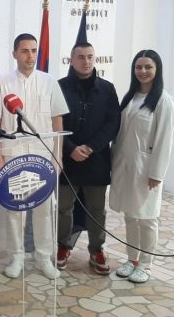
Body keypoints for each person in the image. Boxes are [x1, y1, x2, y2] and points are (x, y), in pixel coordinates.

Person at [0, 33, 68, 280]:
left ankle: (43, 257)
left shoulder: (49, 82)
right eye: (24, 51)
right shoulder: (2, 82)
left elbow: (58, 122)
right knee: (15, 211)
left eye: (33, 50)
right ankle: (17, 257)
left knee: (45, 209)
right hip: (13, 157)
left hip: (42, 157)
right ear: (14, 54)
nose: (30, 56)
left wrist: (58, 156)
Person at [109, 49, 174, 284]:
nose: (143, 71)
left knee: (147, 218)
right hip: (125, 166)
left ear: (157, 70)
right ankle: (132, 260)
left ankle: (146, 264)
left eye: (148, 67)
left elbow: (164, 141)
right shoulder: (131, 97)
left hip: (146, 170)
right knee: (131, 216)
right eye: (139, 67)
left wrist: (156, 173)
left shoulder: (164, 102)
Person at [56, 42, 120, 274]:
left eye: (90, 57)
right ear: (71, 60)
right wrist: (71, 148)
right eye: (81, 57)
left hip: (96, 160)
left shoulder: (107, 89)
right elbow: (54, 122)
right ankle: (63, 246)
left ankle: (96, 249)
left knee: (96, 210)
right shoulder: (59, 87)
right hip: (67, 159)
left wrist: (91, 147)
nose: (86, 61)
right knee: (63, 208)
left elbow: (113, 122)